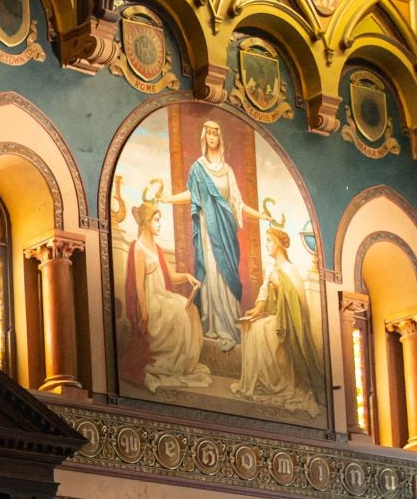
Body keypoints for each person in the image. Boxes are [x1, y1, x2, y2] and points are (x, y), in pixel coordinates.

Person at [165, 116, 256, 350]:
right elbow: (190, 194)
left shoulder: (227, 170)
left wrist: (257, 215)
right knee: (213, 272)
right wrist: (167, 198)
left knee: (227, 274)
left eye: (216, 134)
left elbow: (237, 201)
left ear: (220, 138)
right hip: (208, 230)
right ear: (205, 137)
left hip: (226, 230)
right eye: (210, 134)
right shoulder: (198, 168)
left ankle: (230, 326)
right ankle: (214, 327)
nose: (213, 138)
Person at [114, 182, 213, 392]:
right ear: (147, 222)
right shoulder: (139, 248)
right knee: (178, 312)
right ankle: (170, 362)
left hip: (163, 296)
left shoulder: (156, 248)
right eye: (157, 220)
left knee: (190, 310)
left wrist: (187, 277)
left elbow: (172, 276)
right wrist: (146, 312)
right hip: (151, 300)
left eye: (160, 220)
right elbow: (139, 285)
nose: (160, 224)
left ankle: (182, 364)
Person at [232, 219, 321, 414]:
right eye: (266, 241)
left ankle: (277, 383)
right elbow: (263, 293)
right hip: (273, 315)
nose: (267, 245)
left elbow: (296, 303)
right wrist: (256, 309)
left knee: (262, 329)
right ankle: (259, 382)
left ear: (279, 243)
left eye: (270, 241)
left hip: (286, 321)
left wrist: (280, 286)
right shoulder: (272, 269)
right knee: (252, 326)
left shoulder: (289, 270)